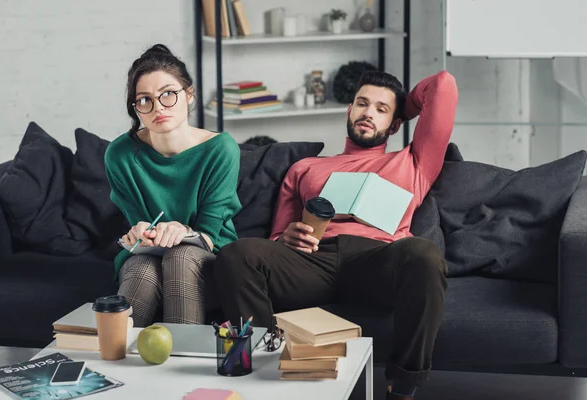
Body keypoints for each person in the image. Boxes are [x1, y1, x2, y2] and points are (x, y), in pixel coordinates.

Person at [213, 70, 458, 399]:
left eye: (381, 109)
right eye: (362, 103)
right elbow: (275, 239)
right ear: (349, 110)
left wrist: (405, 107)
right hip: (312, 262)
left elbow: (443, 84)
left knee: (425, 255)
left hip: (377, 261)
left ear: (396, 124)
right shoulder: (306, 167)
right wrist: (287, 236)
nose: (368, 112)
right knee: (235, 254)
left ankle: (402, 385)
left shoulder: (413, 163)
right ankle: (266, 364)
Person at [104, 44, 241, 327]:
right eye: (145, 100)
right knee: (141, 266)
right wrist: (139, 232)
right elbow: (138, 223)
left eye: (168, 94)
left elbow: (210, 232)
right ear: (136, 109)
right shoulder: (119, 155)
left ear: (189, 95)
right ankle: (113, 366)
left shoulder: (221, 149)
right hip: (149, 259)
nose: (158, 108)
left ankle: (183, 366)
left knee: (180, 256)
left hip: (208, 255)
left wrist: (184, 231)